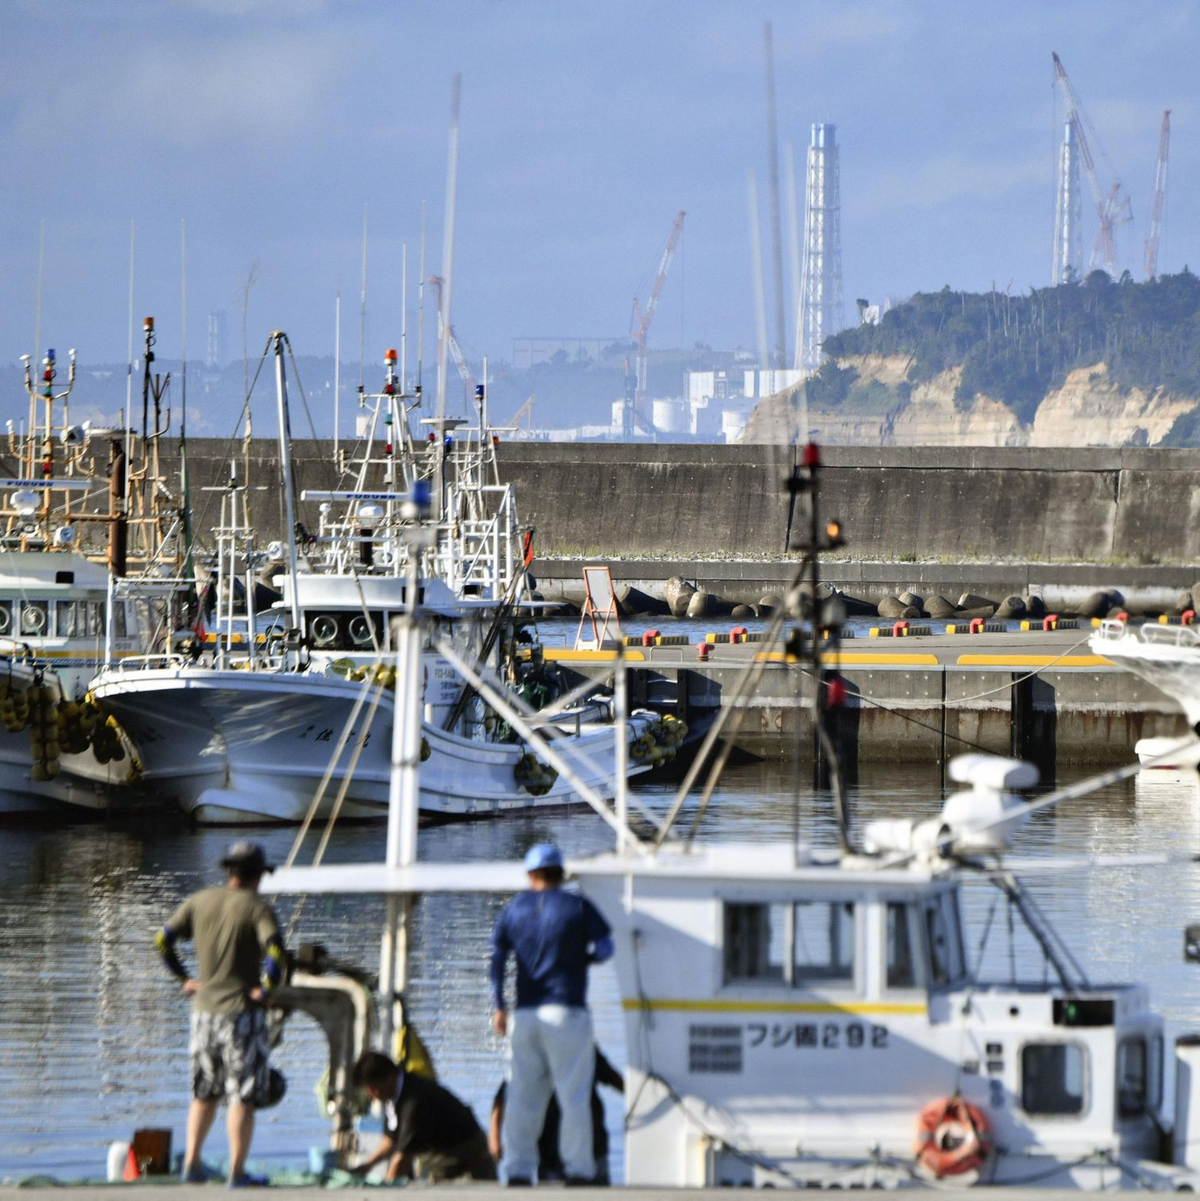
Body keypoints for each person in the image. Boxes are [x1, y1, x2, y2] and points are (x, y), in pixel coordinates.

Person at [155, 841, 287, 1188]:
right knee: (242, 1095)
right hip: (242, 1013)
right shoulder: (258, 909)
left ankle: (193, 1165)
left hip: (203, 1013)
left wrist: (185, 979)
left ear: (229, 871)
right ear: (258, 874)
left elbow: (162, 940)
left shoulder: (199, 902)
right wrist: (268, 989)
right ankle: (237, 1173)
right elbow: (275, 951)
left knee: (204, 1093)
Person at [489, 843, 614, 1185]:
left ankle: (517, 1171)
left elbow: (498, 959)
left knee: (522, 1096)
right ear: (561, 873)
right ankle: (579, 1170)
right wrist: (583, 960)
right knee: (573, 1096)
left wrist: (499, 1005)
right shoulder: (577, 906)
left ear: (530, 874)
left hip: (525, 1014)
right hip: (566, 1011)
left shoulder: (513, 910)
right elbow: (606, 947)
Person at [349, 1051, 496, 1182]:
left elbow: (402, 1160)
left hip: (470, 1166)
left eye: (372, 1089)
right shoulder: (394, 1096)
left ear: (388, 1077)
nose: (370, 1095)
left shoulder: (414, 1100)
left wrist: (385, 1191)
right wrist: (368, 1165)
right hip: (443, 1165)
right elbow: (391, 1140)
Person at [489, 1047, 624, 1184]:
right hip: (550, 1151)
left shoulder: (582, 1046)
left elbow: (614, 1078)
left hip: (593, 1145)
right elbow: (504, 1093)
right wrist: (494, 1136)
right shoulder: (533, 1051)